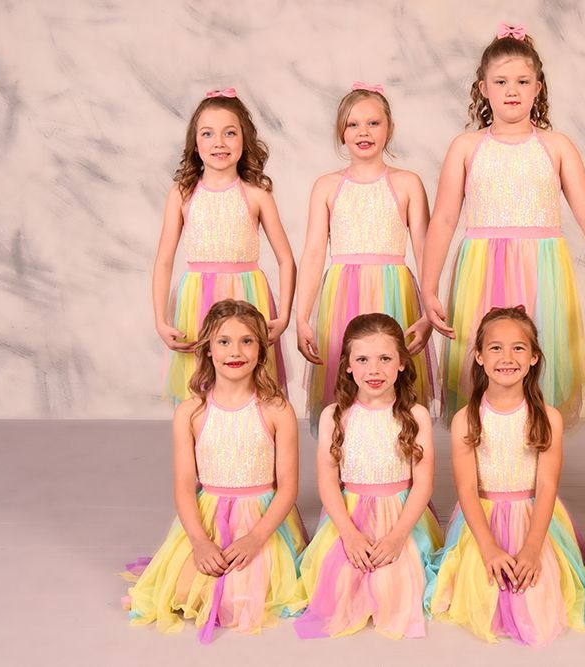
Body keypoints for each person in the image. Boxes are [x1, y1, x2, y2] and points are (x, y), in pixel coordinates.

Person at [420, 23, 585, 426]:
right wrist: (429, 286)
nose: (512, 91)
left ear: (538, 88)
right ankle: (487, 468)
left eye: (522, 81)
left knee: (537, 363)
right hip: (482, 270)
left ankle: (534, 466)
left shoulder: (557, 146)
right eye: (501, 81)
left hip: (541, 270)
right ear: (482, 89)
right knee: (486, 364)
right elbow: (442, 219)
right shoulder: (466, 147)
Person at [124, 299, 308, 642]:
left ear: (261, 349)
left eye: (246, 341)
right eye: (223, 341)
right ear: (208, 349)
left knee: (249, 592)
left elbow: (288, 488)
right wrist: (199, 542)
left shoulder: (277, 410)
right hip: (206, 517)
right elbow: (183, 485)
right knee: (185, 591)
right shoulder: (191, 412)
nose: (234, 351)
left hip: (262, 519)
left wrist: (255, 538)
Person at [428, 306, 585, 646]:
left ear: (534, 358)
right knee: (482, 587)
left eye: (518, 348)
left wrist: (532, 547)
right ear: (479, 356)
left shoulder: (547, 418)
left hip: (533, 516)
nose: (507, 357)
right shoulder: (466, 420)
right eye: (495, 348)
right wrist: (488, 547)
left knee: (538, 591)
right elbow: (467, 488)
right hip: (481, 517)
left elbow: (546, 484)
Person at [296, 84, 435, 434]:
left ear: (389, 128)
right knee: (346, 385)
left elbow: (426, 251)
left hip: (395, 294)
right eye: (353, 124)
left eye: (373, 123)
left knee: (394, 382)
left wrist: (429, 312)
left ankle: (399, 461)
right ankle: (349, 467)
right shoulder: (326, 186)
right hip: (342, 296)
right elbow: (313, 253)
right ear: (341, 132)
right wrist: (301, 317)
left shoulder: (407, 183)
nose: (363, 132)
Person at [294, 313, 442, 639]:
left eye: (385, 359)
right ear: (347, 365)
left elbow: (424, 483)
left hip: (401, 518)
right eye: (362, 359)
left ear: (402, 363)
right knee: (341, 584)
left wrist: (397, 536)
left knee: (396, 585)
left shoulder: (415, 416)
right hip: (349, 517)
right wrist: (349, 534)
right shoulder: (335, 415)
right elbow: (328, 481)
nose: (373, 370)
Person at [153, 88, 294, 403]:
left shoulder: (257, 193)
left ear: (245, 140)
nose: (219, 142)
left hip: (248, 295)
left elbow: (286, 259)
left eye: (230, 133)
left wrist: (283, 316)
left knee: (250, 384)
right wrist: (161, 320)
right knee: (200, 386)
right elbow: (163, 260)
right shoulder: (182, 193)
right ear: (195, 142)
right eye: (208, 134)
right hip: (196, 301)